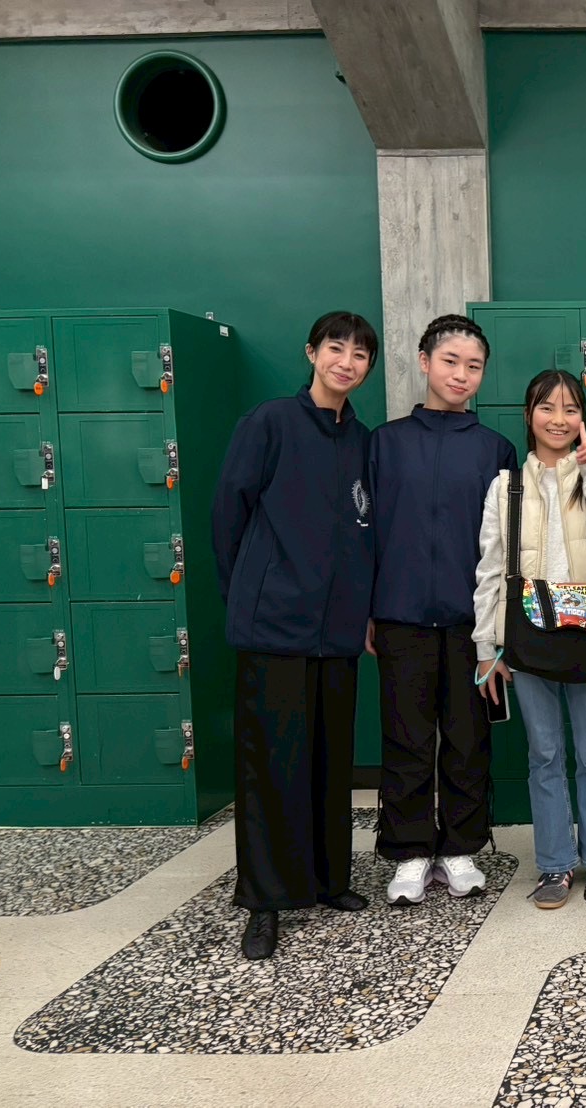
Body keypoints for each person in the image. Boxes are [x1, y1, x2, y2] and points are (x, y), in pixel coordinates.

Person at [211, 310, 379, 960]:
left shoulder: (361, 440)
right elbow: (228, 513)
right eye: (335, 348)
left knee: (330, 761)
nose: (346, 362)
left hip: (337, 633)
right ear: (312, 353)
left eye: (359, 354)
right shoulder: (270, 422)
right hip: (274, 627)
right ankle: (265, 900)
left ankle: (328, 879)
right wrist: (248, 593)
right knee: (271, 766)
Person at [472, 370, 586, 909]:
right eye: (547, 407)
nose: (559, 420)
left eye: (570, 409)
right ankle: (555, 865)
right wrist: (486, 648)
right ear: (529, 414)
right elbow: (490, 570)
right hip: (528, 635)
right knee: (543, 755)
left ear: (583, 417)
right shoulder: (506, 486)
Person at [367, 314, 516, 907]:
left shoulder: (495, 449)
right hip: (399, 615)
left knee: (467, 737)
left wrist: (499, 626)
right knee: (405, 737)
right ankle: (408, 852)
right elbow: (365, 534)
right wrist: (368, 610)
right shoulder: (384, 443)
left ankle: (460, 848)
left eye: (473, 366)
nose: (461, 374)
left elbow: (508, 547)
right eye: (450, 361)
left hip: (470, 625)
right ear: (425, 361)